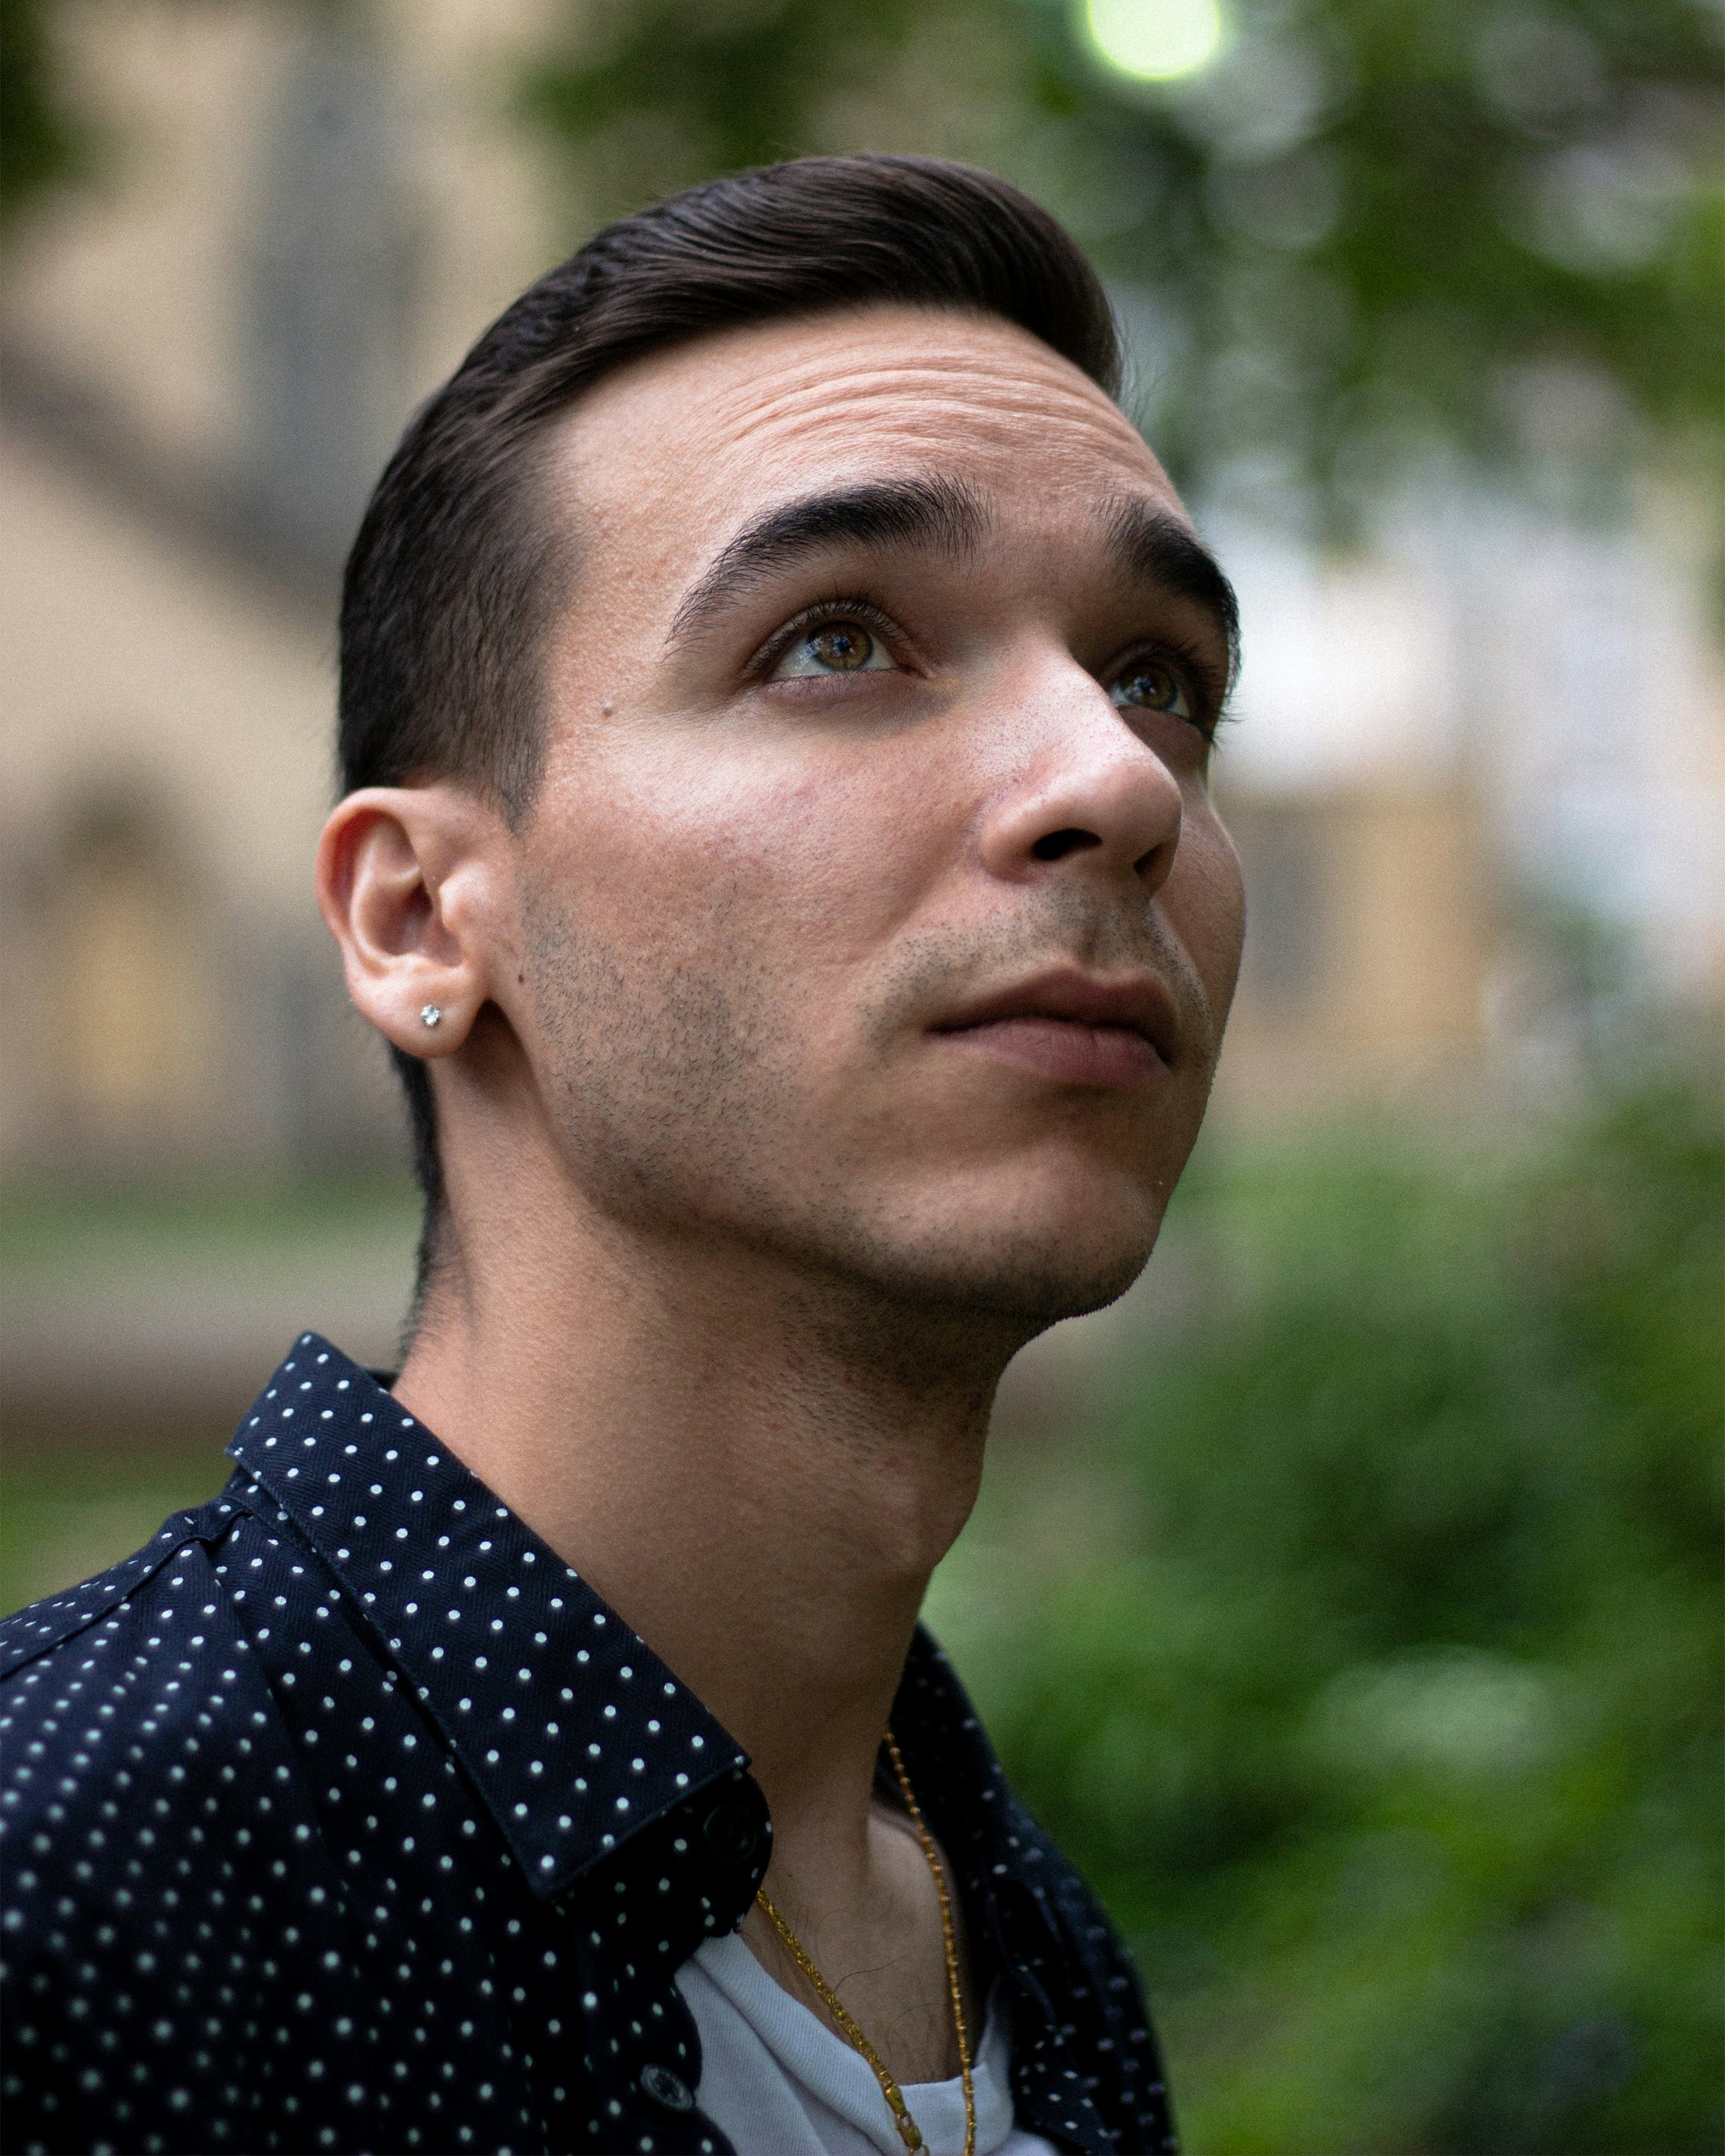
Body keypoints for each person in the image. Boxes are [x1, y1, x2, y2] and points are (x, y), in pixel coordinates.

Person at [0, 155, 1242, 2156]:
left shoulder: (1036, 1957)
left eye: (1159, 677)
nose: (1117, 781)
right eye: (838, 641)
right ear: (419, 921)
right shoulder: (74, 1915)